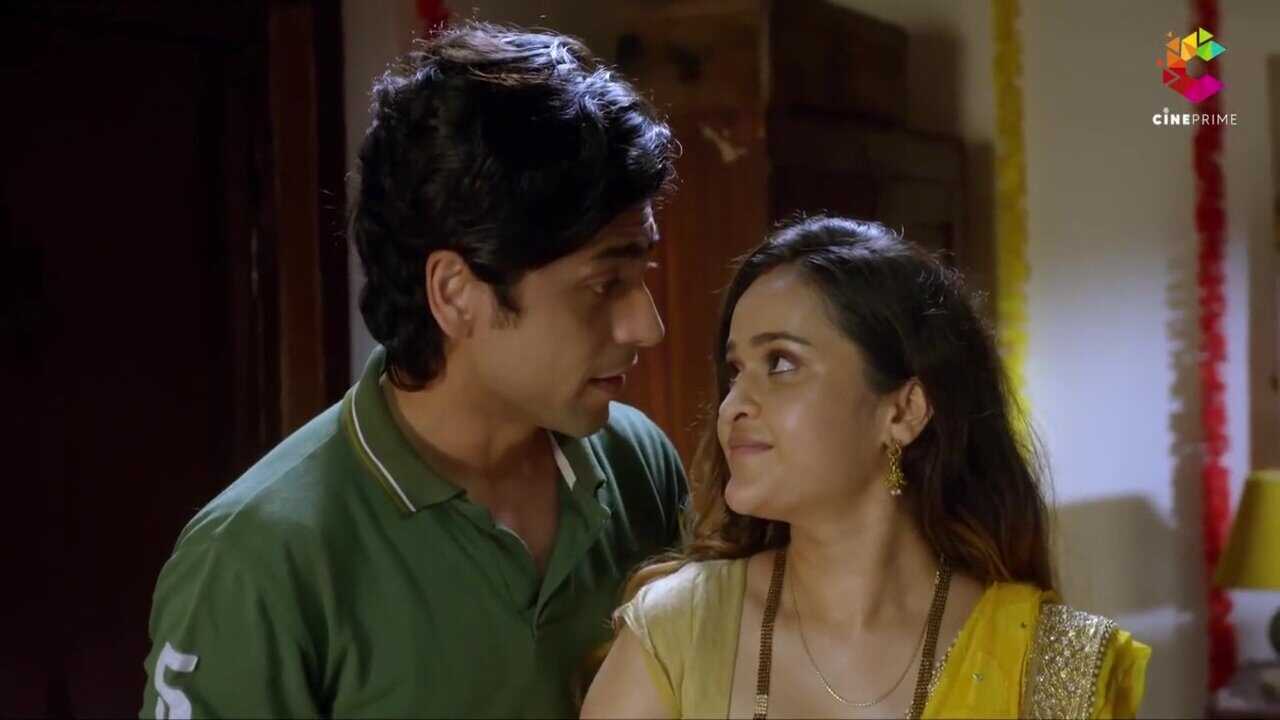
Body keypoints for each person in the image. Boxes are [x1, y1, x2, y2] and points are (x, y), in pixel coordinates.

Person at [141, 22, 686, 718]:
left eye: (642, 274)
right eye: (605, 285)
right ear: (455, 293)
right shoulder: (255, 560)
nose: (647, 325)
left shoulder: (638, 464)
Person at [582, 216, 1149, 719]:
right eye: (735, 371)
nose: (732, 407)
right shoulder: (677, 632)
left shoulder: (1050, 667)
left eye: (780, 363)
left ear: (904, 411)